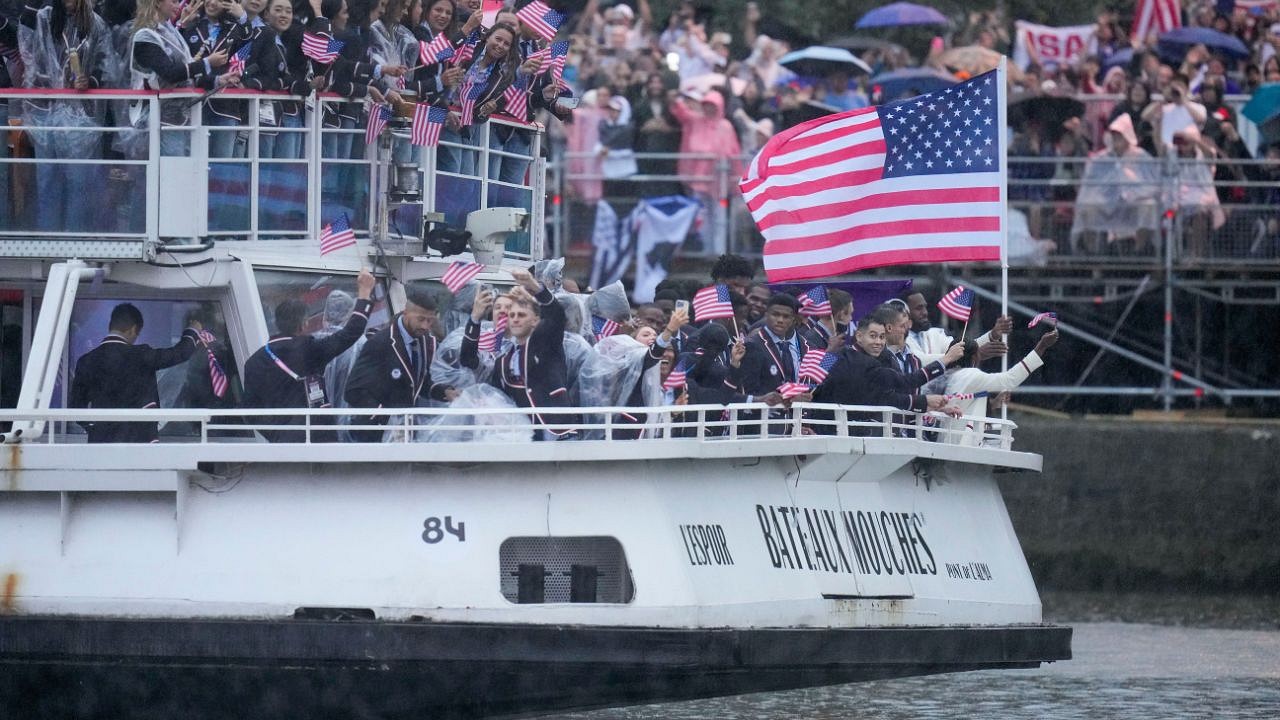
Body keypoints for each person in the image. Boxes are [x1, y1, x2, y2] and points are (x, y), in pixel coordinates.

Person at [241, 268, 376, 442]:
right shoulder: (310, 349)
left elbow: (249, 411)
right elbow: (352, 331)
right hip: (320, 439)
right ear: (304, 324)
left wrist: (277, 433)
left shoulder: (254, 361)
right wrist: (364, 292)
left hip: (280, 445)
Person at [19, 0, 112, 232]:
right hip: (44, 111)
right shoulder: (45, 17)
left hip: (79, 116)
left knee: (78, 182)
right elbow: (24, 42)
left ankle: (74, 240)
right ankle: (49, 240)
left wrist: (89, 81)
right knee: (47, 180)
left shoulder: (96, 24)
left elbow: (105, 64)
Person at [460, 268, 578, 440]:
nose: (514, 318)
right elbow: (468, 360)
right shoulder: (503, 359)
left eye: (521, 315)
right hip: (523, 435)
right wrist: (475, 319)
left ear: (535, 321)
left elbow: (556, 315)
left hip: (557, 431)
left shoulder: (545, 343)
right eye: (512, 315)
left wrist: (535, 287)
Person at [69, 303, 203, 443]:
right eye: (137, 334)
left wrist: (95, 428)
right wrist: (192, 331)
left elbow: (76, 409)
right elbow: (180, 353)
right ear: (133, 330)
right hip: (140, 442)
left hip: (101, 443)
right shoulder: (141, 355)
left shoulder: (86, 361)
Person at [810, 315, 957, 436]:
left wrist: (929, 405)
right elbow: (908, 382)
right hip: (837, 435)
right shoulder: (868, 364)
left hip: (824, 430)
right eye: (873, 336)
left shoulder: (836, 354)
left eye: (882, 337)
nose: (878, 342)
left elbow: (886, 398)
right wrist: (946, 359)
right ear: (859, 336)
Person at [344, 288, 460, 441]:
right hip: (375, 433)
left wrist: (444, 392)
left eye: (430, 321)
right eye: (421, 319)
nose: (425, 326)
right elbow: (353, 391)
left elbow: (418, 382)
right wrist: (386, 417)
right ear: (405, 313)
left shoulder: (425, 341)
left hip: (404, 432)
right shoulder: (380, 343)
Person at [942, 328, 1059, 446]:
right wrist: (1042, 346)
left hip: (946, 439)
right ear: (974, 358)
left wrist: (993, 405)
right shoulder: (970, 375)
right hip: (959, 445)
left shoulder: (948, 375)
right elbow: (1010, 379)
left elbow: (961, 404)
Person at [1071, 113, 1160, 255]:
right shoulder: (1101, 158)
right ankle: (1094, 256)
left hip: (1135, 201)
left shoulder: (1141, 156)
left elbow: (1152, 183)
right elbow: (1091, 185)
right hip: (1105, 201)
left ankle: (1138, 252)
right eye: (1114, 136)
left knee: (1148, 206)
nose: (1116, 140)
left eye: (1120, 135)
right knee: (1088, 207)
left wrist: (1133, 188)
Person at [903, 291, 1010, 365]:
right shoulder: (897, 338)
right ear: (905, 313)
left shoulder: (934, 334)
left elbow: (962, 348)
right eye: (918, 308)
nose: (925, 313)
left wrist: (993, 334)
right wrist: (972, 355)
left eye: (925, 307)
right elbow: (920, 361)